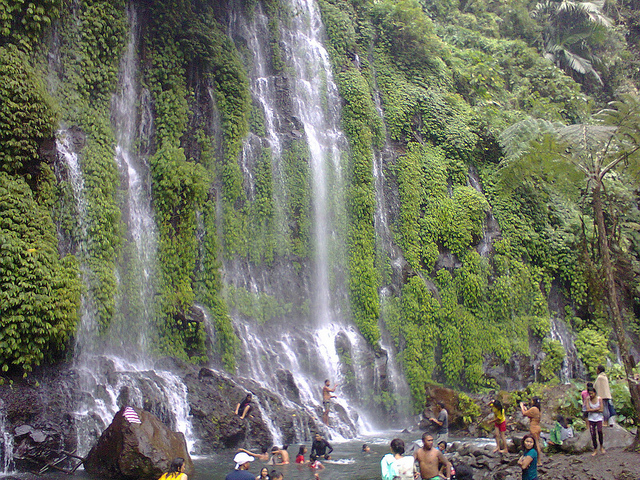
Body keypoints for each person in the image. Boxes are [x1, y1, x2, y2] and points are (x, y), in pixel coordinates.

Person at [586, 385, 605, 456]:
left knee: (600, 431)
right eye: (589, 394)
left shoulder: (599, 399)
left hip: (599, 418)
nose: (591, 395)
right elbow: (587, 409)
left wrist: (592, 410)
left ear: (595, 393)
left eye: (592, 393)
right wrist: (597, 409)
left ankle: (601, 446)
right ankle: (595, 449)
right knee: (593, 434)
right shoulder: (588, 399)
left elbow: (602, 410)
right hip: (591, 419)